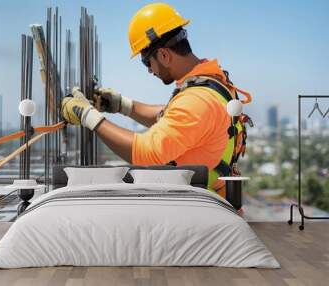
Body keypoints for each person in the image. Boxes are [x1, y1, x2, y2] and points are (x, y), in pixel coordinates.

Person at [60, 2, 252, 198]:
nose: (150, 71)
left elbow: (147, 153)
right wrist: (123, 105)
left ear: (164, 55)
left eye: (147, 62)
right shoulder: (211, 81)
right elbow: (172, 117)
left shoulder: (197, 101)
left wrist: (86, 115)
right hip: (209, 201)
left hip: (200, 210)